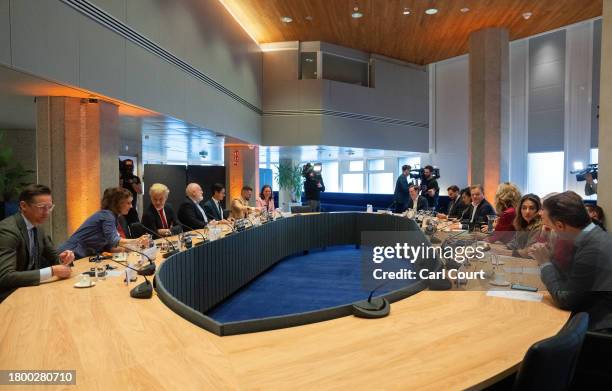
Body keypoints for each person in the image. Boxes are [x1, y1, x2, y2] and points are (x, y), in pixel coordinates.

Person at [530, 191, 612, 332]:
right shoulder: (595, 235)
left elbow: (566, 300)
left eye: (550, 226)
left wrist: (544, 263)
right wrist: (550, 260)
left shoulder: (592, 248)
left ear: (560, 226)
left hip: (596, 330)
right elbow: (573, 281)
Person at [0, 184, 75, 302]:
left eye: (49, 207)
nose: (47, 213)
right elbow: (5, 277)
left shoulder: (38, 228)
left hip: (30, 290)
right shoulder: (8, 231)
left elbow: (55, 258)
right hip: (9, 297)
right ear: (23, 206)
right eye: (41, 207)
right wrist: (52, 271)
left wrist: (65, 259)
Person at [59, 187, 149, 259]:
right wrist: (137, 241)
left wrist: (134, 248)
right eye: (128, 203)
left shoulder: (112, 217)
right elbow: (114, 240)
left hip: (79, 255)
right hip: (69, 253)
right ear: (118, 203)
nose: (131, 206)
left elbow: (109, 247)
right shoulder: (107, 215)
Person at [507, 194, 543, 258]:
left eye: (532, 208)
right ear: (520, 210)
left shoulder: (539, 226)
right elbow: (513, 244)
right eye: (524, 208)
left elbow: (529, 252)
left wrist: (502, 252)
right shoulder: (523, 223)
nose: (527, 212)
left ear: (538, 210)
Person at [119, 159, 143, 225]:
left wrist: (132, 182)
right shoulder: (121, 178)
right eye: (127, 166)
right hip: (122, 208)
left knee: (136, 226)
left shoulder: (136, 178)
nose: (129, 168)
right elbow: (119, 191)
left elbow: (140, 191)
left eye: (130, 166)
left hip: (132, 207)